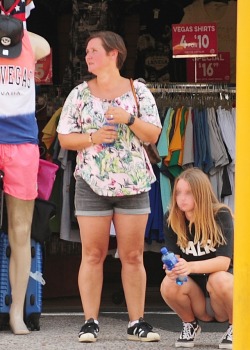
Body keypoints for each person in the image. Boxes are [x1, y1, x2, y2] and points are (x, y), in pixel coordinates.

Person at [57, 30, 162, 343]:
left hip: (133, 182)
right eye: (87, 52)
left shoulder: (137, 89)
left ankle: (137, 322)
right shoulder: (79, 93)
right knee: (92, 254)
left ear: (114, 53)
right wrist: (92, 138)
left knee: (132, 256)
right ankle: (90, 321)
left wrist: (129, 118)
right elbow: (64, 137)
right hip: (91, 181)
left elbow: (153, 134)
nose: (87, 57)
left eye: (93, 51)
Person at [0, 13, 50, 335]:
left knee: (22, 232)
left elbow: (37, 41)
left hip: (22, 143)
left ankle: (17, 313)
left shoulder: (36, 43)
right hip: (18, 144)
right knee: (19, 231)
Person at [160, 168, 234, 349]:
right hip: (196, 295)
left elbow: (224, 262)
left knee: (219, 277)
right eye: (178, 192)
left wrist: (189, 266)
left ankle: (236, 326)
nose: (182, 198)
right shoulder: (172, 218)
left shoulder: (221, 215)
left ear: (201, 193)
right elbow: (175, 258)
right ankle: (190, 324)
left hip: (221, 294)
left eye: (188, 193)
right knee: (168, 283)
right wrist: (172, 268)